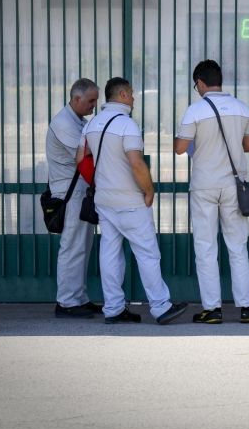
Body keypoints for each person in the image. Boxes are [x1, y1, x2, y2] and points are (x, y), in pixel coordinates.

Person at [77, 77, 187, 325]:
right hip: (130, 200)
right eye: (132, 94)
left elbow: (80, 158)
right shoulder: (127, 125)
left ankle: (113, 308)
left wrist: (100, 180)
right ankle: (160, 306)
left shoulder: (91, 124)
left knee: (110, 252)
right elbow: (136, 163)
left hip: (104, 200)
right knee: (147, 252)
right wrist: (149, 190)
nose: (134, 98)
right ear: (123, 95)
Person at [175, 60, 249, 324]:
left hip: (204, 185)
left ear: (200, 83)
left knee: (206, 247)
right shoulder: (242, 108)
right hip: (234, 186)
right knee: (237, 247)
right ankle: (246, 308)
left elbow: (180, 148)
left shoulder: (195, 111)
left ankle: (212, 309)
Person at [47, 78, 101, 319]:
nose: (94, 106)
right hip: (70, 193)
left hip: (79, 191)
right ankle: (67, 302)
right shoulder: (63, 123)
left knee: (83, 246)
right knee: (72, 246)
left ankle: (79, 297)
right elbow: (85, 155)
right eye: (91, 101)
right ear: (76, 99)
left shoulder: (77, 121)